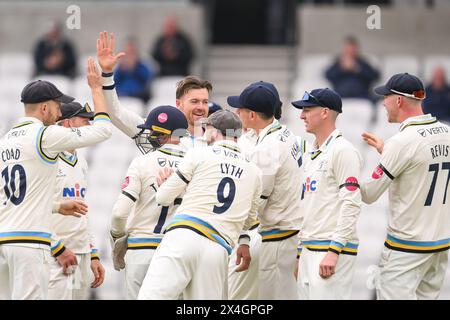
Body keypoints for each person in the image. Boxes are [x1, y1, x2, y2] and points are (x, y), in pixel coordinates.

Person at [0, 58, 112, 299]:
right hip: (29, 241)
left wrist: (58, 206)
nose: (59, 111)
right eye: (56, 105)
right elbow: (103, 130)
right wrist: (96, 89)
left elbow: (13, 197)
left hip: (5, 240)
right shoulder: (44, 134)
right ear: (43, 108)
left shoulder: (6, 139)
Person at [137, 110, 262, 300]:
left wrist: (170, 186)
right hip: (218, 249)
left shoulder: (199, 153)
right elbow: (248, 222)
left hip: (183, 237)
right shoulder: (254, 171)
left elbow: (162, 198)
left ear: (213, 131)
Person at [361, 73, 450, 300]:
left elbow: (369, 193)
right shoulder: (447, 133)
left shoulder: (400, 142)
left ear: (399, 100)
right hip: (440, 246)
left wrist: (344, 178)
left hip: (406, 248)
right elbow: (422, 165)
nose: (383, 102)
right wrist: (388, 154)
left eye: (386, 97)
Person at [228, 82, 303, 300]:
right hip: (286, 233)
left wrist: (242, 238)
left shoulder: (268, 148)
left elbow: (257, 200)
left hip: (279, 236)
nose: (236, 112)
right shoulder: (284, 134)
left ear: (252, 115)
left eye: (240, 109)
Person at [110, 105, 188, 300]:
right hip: (175, 253)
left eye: (153, 131)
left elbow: (120, 213)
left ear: (163, 135)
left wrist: (118, 239)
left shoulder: (142, 162)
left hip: (140, 251)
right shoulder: (195, 163)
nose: (149, 135)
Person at [291, 88, 363, 300]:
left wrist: (334, 251)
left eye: (307, 110)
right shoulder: (312, 153)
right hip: (309, 250)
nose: (301, 116)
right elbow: (309, 207)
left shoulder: (343, 150)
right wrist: (300, 253)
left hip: (330, 251)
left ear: (324, 112)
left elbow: (352, 204)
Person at [97, 31, 209, 150]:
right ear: (178, 104)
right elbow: (116, 113)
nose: (201, 107)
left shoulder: (218, 139)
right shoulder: (159, 133)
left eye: (205, 102)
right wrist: (107, 73)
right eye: (194, 101)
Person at [48, 101, 106, 300]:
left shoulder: (81, 160)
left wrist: (93, 253)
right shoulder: (48, 158)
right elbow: (37, 209)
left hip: (80, 254)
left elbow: (82, 209)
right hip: (58, 254)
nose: (90, 126)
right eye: (85, 120)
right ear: (67, 124)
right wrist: (57, 248)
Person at [325, 36, 379, 103]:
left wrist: (357, 69)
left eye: (352, 49)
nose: (350, 51)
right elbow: (328, 75)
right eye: (347, 49)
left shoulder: (362, 62)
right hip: (341, 95)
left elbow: (374, 76)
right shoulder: (338, 62)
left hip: (362, 95)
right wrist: (341, 68)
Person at [114, 37, 155, 104]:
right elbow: (114, 81)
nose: (129, 55)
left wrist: (135, 67)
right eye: (128, 52)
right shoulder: (119, 67)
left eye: (132, 52)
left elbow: (146, 80)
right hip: (122, 97)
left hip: (138, 97)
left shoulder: (143, 66)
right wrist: (122, 69)